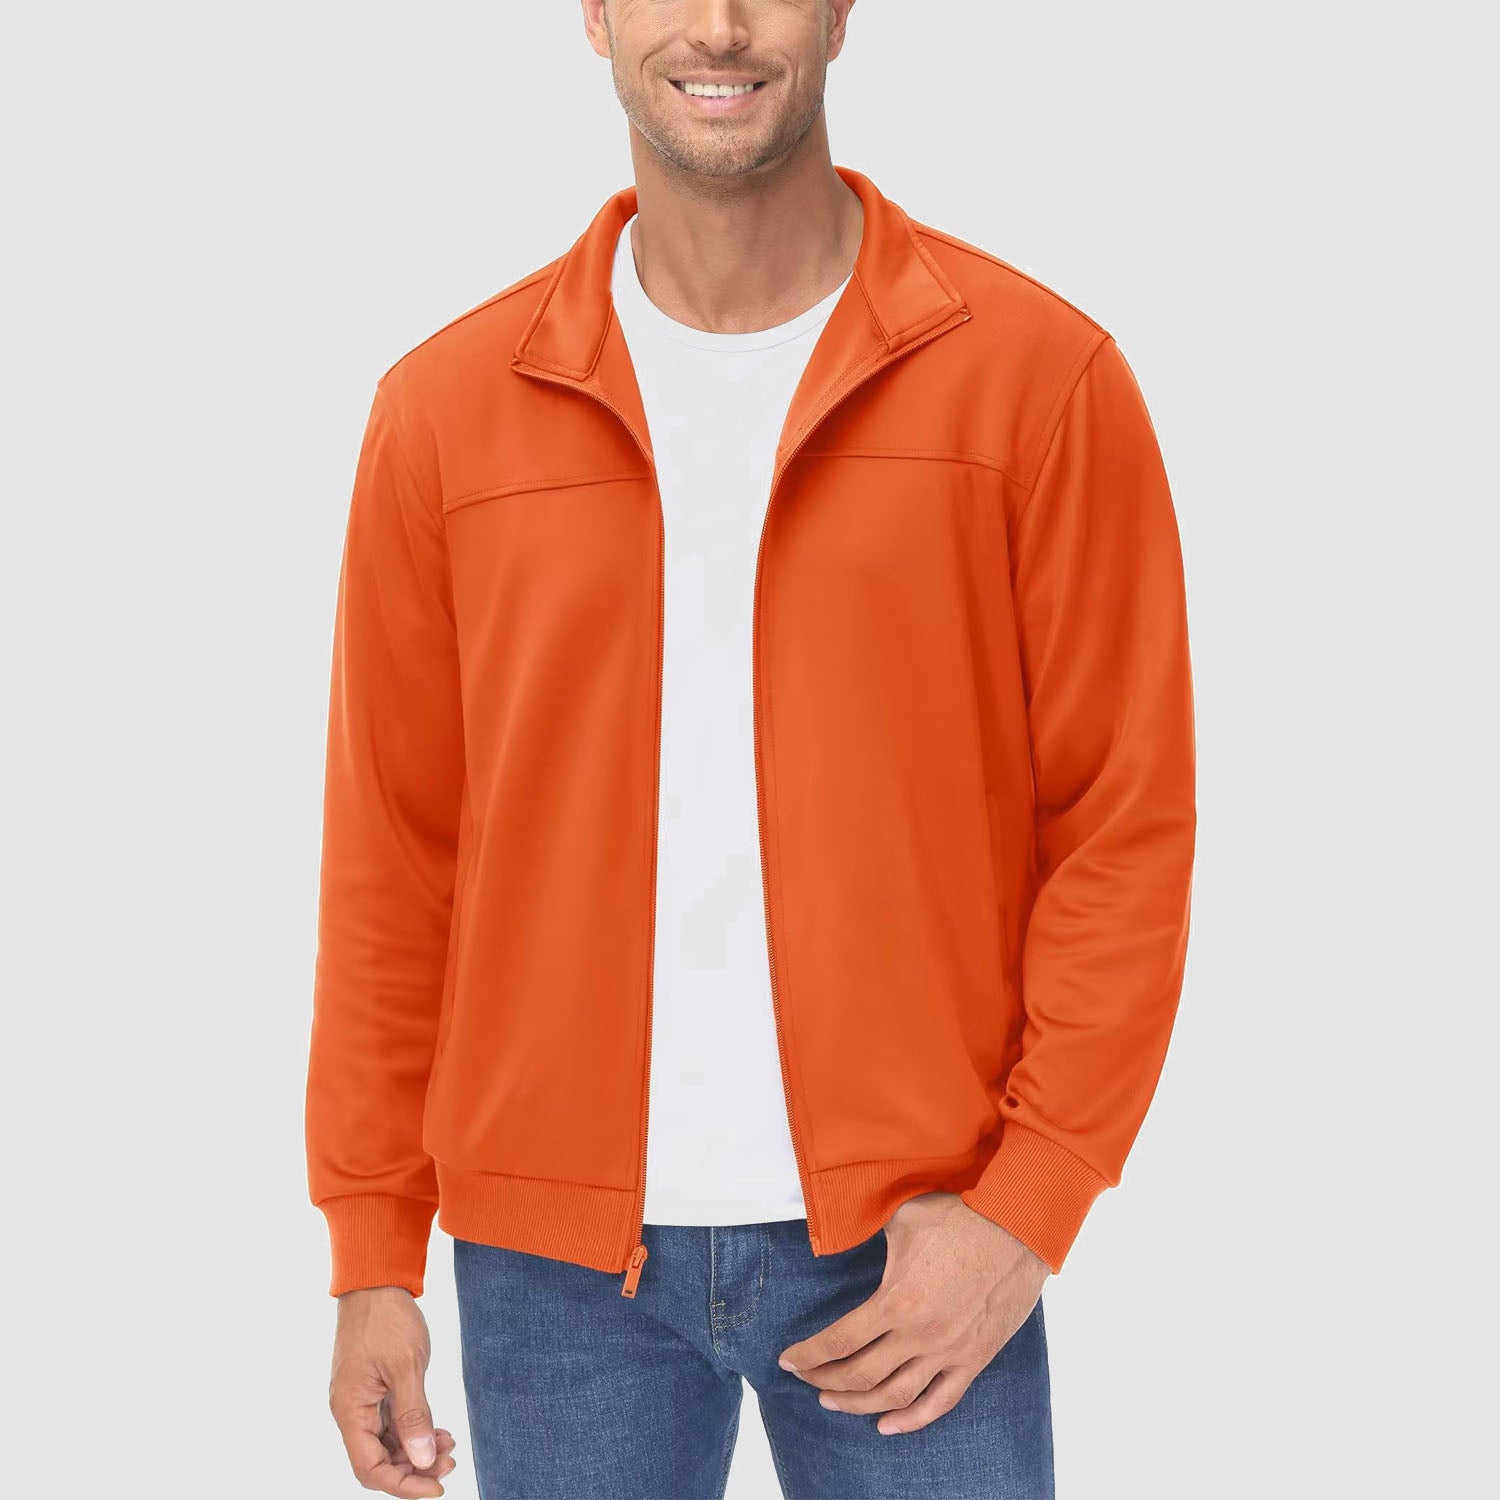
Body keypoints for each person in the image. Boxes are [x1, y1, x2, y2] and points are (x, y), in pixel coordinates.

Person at [305, 2, 1196, 1496]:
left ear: (842, 9)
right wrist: (371, 1251)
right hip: (549, 1272)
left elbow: (1122, 824)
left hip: (919, 1250)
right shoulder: (446, 413)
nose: (719, 27)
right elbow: (395, 859)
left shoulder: (1037, 380)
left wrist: (1025, 1210)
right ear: (596, 13)